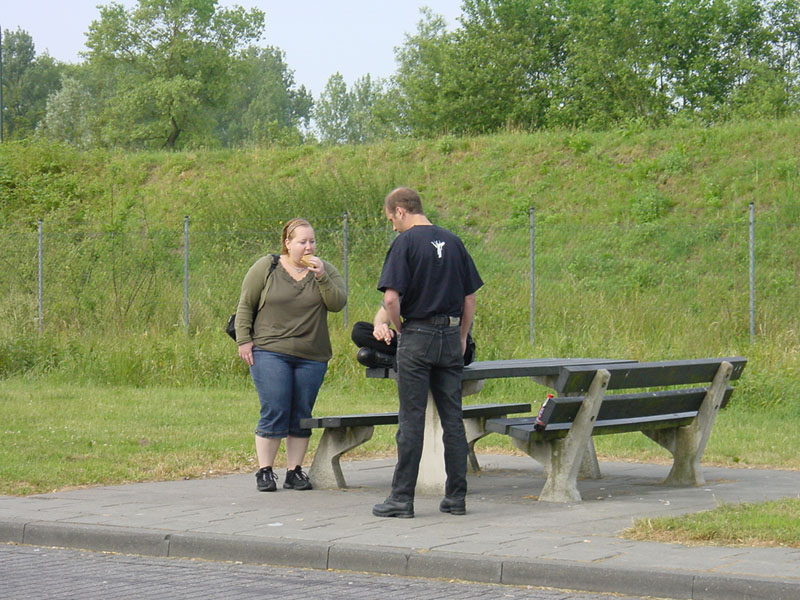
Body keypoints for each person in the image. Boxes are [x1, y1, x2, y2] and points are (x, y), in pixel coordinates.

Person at [371, 187, 483, 518]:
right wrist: (461, 335)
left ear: (401, 211)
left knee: (411, 419)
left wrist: (400, 328)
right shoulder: (454, 241)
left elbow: (391, 299)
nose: (393, 226)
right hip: (450, 336)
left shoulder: (404, 244)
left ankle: (402, 499)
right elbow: (470, 298)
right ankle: (456, 498)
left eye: (392, 219)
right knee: (453, 419)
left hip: (417, 335)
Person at [235, 218, 347, 493]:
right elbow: (246, 304)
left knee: (300, 413)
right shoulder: (267, 267)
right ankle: (265, 470)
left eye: (312, 241)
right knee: (276, 406)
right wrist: (244, 341)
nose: (308, 247)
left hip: (312, 354)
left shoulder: (325, 270)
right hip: (270, 350)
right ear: (287, 243)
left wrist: (321, 276)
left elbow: (337, 303)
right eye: (302, 242)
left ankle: (294, 470)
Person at [351, 305, 476, 369]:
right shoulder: (407, 275)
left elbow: (468, 301)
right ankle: (399, 358)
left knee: (424, 344)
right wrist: (381, 326)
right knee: (359, 331)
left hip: (453, 343)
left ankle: (392, 360)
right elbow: (388, 305)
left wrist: (463, 338)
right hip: (414, 340)